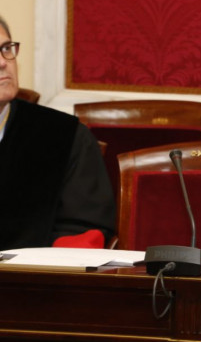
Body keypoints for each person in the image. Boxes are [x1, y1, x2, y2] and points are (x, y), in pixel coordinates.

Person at [0, 15, 116, 250]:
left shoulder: (63, 137)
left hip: (28, 282)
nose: (4, 62)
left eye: (5, 48)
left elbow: (82, 233)